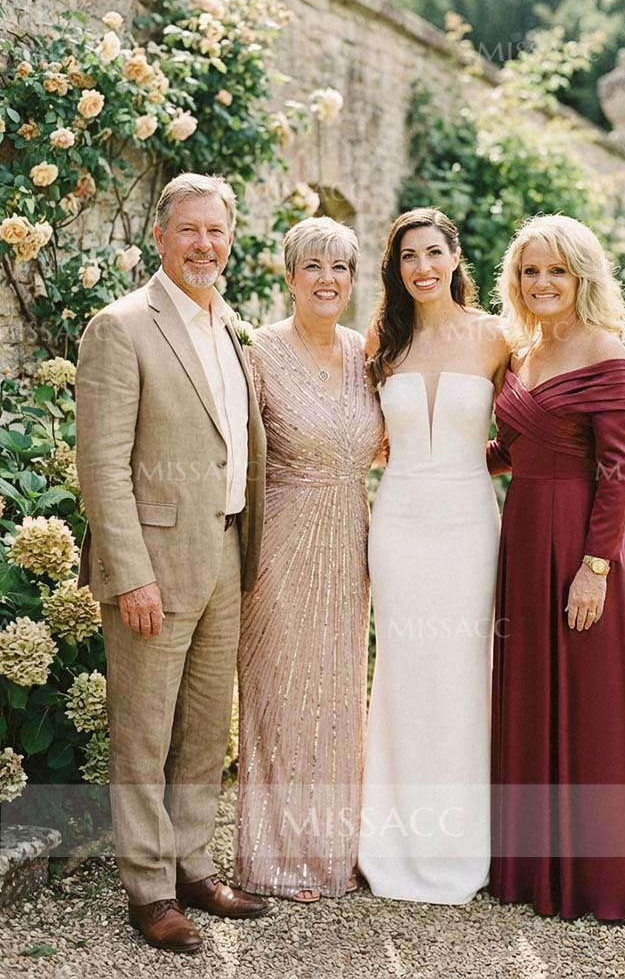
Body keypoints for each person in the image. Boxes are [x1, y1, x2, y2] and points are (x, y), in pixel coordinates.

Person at [76, 173, 269, 954]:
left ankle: (193, 863)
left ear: (230, 239)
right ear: (160, 237)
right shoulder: (121, 327)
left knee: (204, 728)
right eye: (188, 229)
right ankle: (149, 888)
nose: (203, 244)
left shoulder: (230, 328)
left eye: (215, 230)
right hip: (153, 561)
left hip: (225, 549)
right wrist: (131, 572)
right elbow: (101, 464)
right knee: (143, 731)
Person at [487, 214, 625, 921]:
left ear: (581, 276)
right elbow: (510, 451)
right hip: (524, 537)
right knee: (530, 689)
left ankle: (596, 876)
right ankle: (532, 867)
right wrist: (426, 458)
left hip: (581, 543)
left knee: (589, 699)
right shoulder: (521, 351)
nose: (542, 282)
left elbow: (618, 470)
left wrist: (595, 567)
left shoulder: (603, 349)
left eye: (556, 270)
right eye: (530, 270)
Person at [359, 207, 510, 904]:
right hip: (397, 523)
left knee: (462, 672)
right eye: (408, 257)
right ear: (396, 269)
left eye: (432, 253)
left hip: (468, 523)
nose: (422, 267)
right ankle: (392, 840)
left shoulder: (496, 337)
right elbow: (362, 434)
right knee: (401, 670)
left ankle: (463, 840)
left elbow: (530, 428)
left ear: (455, 257)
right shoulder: (382, 340)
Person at [233, 216, 384, 902]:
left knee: (337, 695)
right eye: (314, 266)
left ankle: (335, 849)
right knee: (280, 694)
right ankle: (276, 857)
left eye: (340, 267)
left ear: (353, 281)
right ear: (289, 276)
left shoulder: (367, 353)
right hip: (280, 542)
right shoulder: (259, 352)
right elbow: (234, 450)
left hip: (349, 539)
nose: (328, 279)